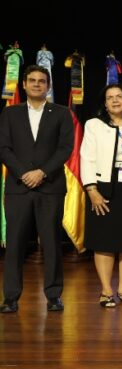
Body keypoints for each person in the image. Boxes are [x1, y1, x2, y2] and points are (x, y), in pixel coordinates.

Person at [0, 65, 74, 313]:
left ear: (48, 85)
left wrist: (42, 172)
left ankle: (53, 296)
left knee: (52, 243)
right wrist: (24, 174)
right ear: (23, 84)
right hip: (18, 188)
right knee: (15, 244)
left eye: (41, 81)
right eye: (32, 80)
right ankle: (10, 298)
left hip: (50, 187)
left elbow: (65, 148)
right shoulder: (9, 114)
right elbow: (4, 148)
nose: (36, 84)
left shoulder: (62, 113)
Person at [81, 84, 122, 308]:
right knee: (104, 241)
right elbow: (86, 157)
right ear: (105, 104)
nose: (115, 100)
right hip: (104, 187)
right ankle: (106, 290)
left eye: (120, 97)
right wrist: (91, 189)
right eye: (110, 98)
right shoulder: (94, 125)